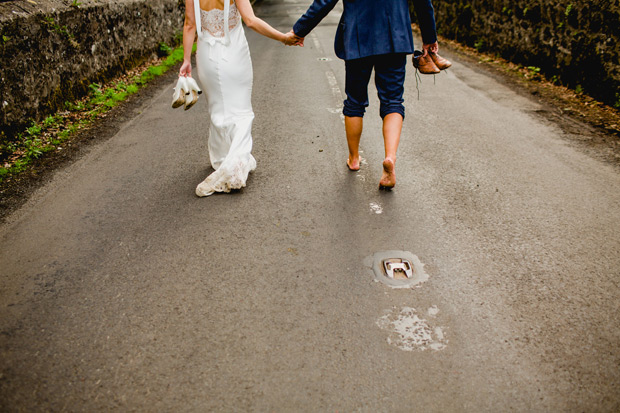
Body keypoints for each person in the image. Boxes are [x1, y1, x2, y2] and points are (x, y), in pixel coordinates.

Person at [290, 0, 440, 189]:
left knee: (354, 101)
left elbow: (324, 1)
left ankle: (354, 158)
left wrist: (299, 30)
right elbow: (423, 3)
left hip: (357, 34)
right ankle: (390, 157)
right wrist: (429, 37)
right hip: (395, 33)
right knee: (393, 100)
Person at [180, 0, 301, 197]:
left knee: (217, 107)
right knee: (241, 111)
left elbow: (190, 24)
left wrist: (186, 60)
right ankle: (233, 165)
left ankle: (223, 157)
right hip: (233, 54)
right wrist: (283, 38)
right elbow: (251, 21)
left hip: (206, 57)